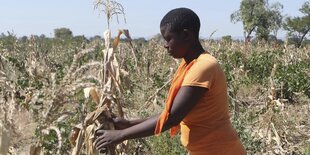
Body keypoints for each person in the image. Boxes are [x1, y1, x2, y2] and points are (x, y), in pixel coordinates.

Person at [94, 7, 246, 155]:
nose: (165, 45)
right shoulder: (189, 65)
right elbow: (169, 114)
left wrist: (121, 135)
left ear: (186, 35)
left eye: (169, 38)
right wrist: (128, 124)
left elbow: (172, 118)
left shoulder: (203, 67)